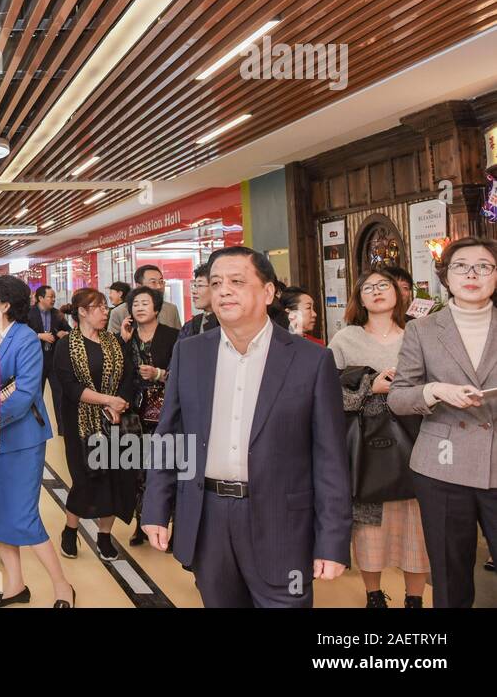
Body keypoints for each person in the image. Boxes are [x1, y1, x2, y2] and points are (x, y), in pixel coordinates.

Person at [142, 246, 352, 607]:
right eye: (217, 282)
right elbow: (169, 437)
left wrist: (333, 540)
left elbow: (331, 458)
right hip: (209, 518)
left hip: (282, 522)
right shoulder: (190, 353)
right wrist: (155, 508)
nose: (223, 290)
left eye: (237, 281)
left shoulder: (311, 361)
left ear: (268, 292)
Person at [389, 236, 497, 608]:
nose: (472, 274)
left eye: (484, 266)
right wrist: (434, 390)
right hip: (443, 469)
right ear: (445, 276)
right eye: (461, 266)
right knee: (450, 578)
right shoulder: (422, 330)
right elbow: (398, 397)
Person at [330, 269, 428, 608]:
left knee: (417, 526)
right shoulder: (345, 340)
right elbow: (326, 393)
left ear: (399, 293)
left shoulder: (417, 334)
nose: (376, 291)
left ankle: (414, 599)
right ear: (359, 298)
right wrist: (371, 387)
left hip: (415, 440)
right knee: (369, 524)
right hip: (366, 446)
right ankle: (374, 596)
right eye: (367, 287)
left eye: (383, 285)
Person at [0, 276, 76, 608]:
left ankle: (62, 585)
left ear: (5, 305)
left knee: (23, 516)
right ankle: (14, 587)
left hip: (21, 439)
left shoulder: (24, 339)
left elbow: (25, 394)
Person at [53, 287, 139, 561]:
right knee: (85, 479)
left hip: (114, 422)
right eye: (100, 307)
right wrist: (108, 401)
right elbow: (70, 387)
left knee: (112, 480)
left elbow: (127, 376)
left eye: (105, 307)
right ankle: (70, 529)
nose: (105, 312)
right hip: (80, 424)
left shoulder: (114, 342)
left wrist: (120, 402)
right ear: (82, 312)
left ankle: (104, 536)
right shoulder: (67, 345)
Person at [121, 285, 179, 547]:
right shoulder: (126, 337)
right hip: (134, 413)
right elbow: (117, 373)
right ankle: (141, 523)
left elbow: (183, 373)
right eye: (135, 304)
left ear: (156, 308)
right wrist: (122, 340)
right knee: (138, 470)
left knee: (171, 466)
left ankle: (174, 525)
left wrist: (159, 374)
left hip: (168, 412)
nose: (140, 308)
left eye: (145, 303)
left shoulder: (173, 336)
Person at [108, 265, 182, 333]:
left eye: (161, 281)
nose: (159, 286)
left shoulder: (171, 309)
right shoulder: (119, 313)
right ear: (139, 286)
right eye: (153, 282)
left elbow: (179, 339)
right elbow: (112, 344)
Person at [27, 285, 68, 387]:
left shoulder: (57, 313)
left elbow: (69, 330)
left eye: (54, 297)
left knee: (59, 392)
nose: (53, 300)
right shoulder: (28, 313)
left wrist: (63, 333)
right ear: (40, 298)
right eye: (50, 297)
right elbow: (22, 334)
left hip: (54, 360)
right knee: (37, 394)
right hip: (36, 360)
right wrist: (39, 336)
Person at [179, 262, 218, 339]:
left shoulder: (228, 324)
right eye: (195, 285)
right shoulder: (191, 326)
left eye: (200, 285)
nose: (193, 291)